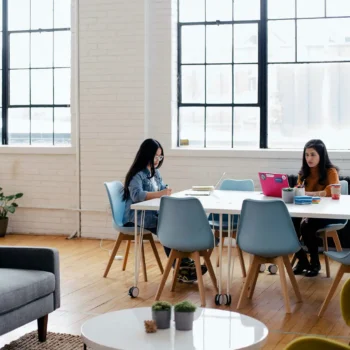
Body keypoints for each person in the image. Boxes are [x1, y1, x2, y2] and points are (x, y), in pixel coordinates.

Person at [123, 138, 207, 282]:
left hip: (154, 214)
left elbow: (161, 188)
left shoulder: (155, 173)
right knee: (168, 229)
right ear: (146, 154)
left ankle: (185, 265)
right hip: (138, 217)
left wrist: (165, 190)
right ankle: (181, 268)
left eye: (160, 156)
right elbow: (136, 195)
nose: (157, 160)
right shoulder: (137, 174)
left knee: (177, 224)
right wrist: (160, 193)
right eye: (155, 156)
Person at [293, 139, 343, 277]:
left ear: (321, 155)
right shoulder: (303, 173)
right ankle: (302, 260)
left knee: (306, 225)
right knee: (288, 224)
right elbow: (299, 190)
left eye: (313, 154)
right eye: (307, 154)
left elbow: (333, 190)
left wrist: (310, 193)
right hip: (306, 210)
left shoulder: (330, 171)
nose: (309, 158)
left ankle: (315, 262)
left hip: (327, 213)